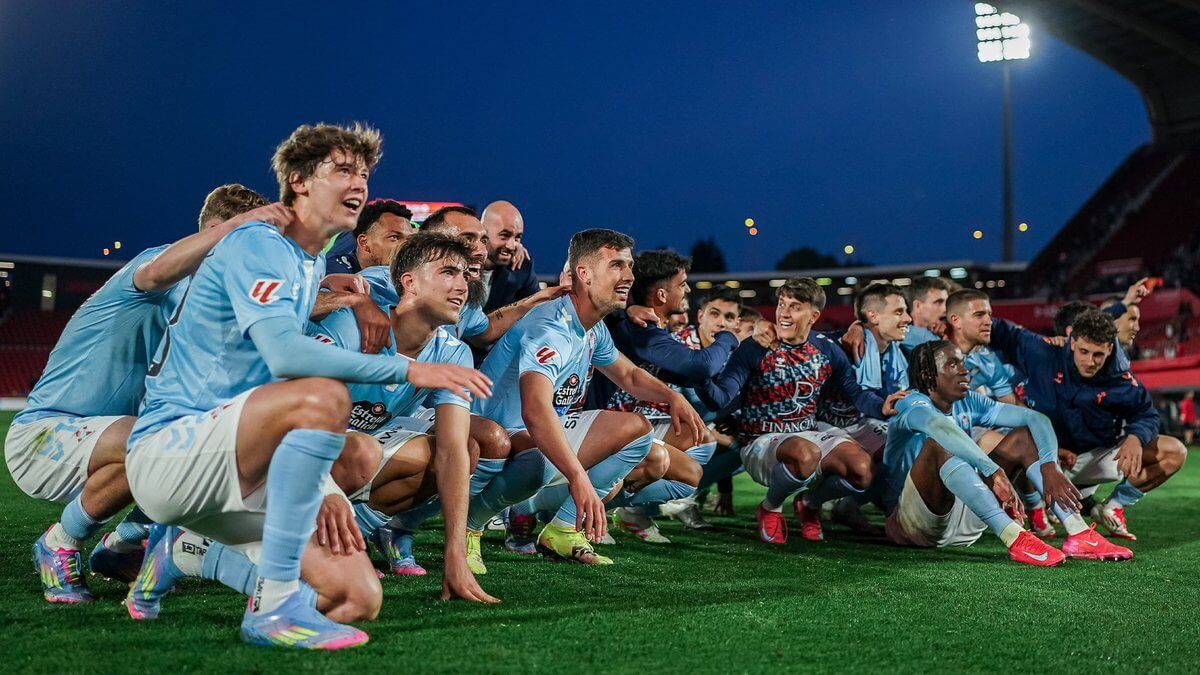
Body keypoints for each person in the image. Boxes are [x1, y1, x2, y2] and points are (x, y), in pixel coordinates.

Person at [122, 123, 492, 649]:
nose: (359, 184)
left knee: (356, 599)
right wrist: (409, 370)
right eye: (342, 170)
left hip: (245, 456)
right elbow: (285, 357)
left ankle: (185, 554)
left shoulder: (309, 260)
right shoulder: (259, 241)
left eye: (364, 173)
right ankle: (270, 611)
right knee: (325, 395)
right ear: (297, 180)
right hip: (173, 449)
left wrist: (324, 486)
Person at [5, 183, 281, 604]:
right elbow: (156, 275)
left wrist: (344, 298)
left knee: (208, 444)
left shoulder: (212, 301)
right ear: (215, 230)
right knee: (157, 440)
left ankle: (122, 546)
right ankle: (59, 543)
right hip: (43, 436)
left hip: (111, 439)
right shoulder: (159, 264)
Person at [467, 229, 707, 565]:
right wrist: (578, 476)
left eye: (629, 266)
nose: (629, 276)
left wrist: (672, 397)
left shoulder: (591, 326)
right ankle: (471, 523)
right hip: (496, 436)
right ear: (584, 273)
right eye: (617, 266)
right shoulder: (551, 327)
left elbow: (628, 375)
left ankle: (562, 529)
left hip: (530, 433)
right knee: (544, 462)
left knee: (637, 433)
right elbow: (535, 411)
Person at [881, 341, 1131, 563]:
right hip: (912, 525)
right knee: (939, 442)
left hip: (966, 516)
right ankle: (1015, 538)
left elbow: (1035, 418)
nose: (965, 370)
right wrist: (992, 471)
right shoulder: (910, 402)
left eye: (963, 362)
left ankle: (1078, 532)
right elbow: (938, 427)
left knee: (1023, 437)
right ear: (927, 376)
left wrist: (1050, 466)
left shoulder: (968, 400)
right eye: (953, 364)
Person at [697, 278, 904, 545]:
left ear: (814, 316)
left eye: (794, 307)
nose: (783, 312)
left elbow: (855, 393)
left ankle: (809, 503)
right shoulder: (755, 346)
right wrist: (701, 377)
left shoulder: (826, 348)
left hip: (807, 432)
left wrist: (881, 405)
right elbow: (721, 396)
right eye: (782, 304)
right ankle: (770, 507)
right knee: (806, 454)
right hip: (761, 441)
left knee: (862, 470)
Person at [989, 308, 1187, 540]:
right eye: (1084, 351)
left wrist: (1135, 437)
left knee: (1174, 451)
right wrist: (947, 319)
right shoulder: (1043, 352)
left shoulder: (1122, 380)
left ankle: (1113, 506)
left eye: (1098, 355)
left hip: (1097, 457)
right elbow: (1003, 330)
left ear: (1110, 349)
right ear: (1071, 342)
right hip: (1048, 460)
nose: (1089, 362)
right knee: (1021, 437)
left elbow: (1146, 414)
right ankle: (1036, 508)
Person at [595, 249, 737, 542]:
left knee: (697, 446)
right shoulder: (639, 329)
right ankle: (572, 507)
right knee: (666, 461)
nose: (687, 290)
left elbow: (710, 391)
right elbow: (700, 365)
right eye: (682, 283)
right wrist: (727, 338)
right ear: (661, 295)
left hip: (618, 428)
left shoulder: (642, 326)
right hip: (593, 428)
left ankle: (622, 508)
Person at [323, 199, 415, 274]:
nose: (406, 246)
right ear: (364, 243)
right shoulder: (333, 270)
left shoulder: (412, 273)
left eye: (409, 240)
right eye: (394, 237)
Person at [479, 201, 541, 313]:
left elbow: (538, 313)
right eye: (504, 235)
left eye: (517, 237)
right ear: (483, 232)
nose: (512, 246)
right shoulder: (459, 262)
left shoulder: (521, 267)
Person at [901, 276, 955, 353]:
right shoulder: (903, 336)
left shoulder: (945, 332)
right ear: (918, 306)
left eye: (947, 303)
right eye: (938, 302)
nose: (945, 309)